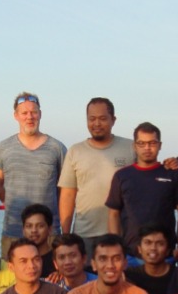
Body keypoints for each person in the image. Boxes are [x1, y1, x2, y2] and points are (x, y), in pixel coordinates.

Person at [0, 91, 67, 258]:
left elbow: (65, 188)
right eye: (24, 113)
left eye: (33, 112)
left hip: (50, 234)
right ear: (16, 116)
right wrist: (10, 202)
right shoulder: (4, 148)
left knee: (54, 281)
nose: (29, 117)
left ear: (40, 114)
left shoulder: (57, 148)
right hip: (13, 232)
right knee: (13, 281)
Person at [57, 97, 135, 254]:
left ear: (113, 120)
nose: (97, 124)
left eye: (102, 119)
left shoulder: (131, 148)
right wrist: (66, 236)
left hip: (121, 234)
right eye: (92, 119)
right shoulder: (75, 151)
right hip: (84, 235)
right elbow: (67, 195)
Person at [106, 122, 178, 262]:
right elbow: (113, 214)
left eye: (152, 143)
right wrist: (117, 247)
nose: (147, 148)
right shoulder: (122, 176)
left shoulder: (173, 175)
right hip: (130, 255)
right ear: (134, 146)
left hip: (165, 255)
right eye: (141, 143)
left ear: (160, 145)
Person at [124, 224, 178, 294]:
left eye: (160, 243)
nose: (153, 248)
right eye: (148, 243)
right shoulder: (129, 276)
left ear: (168, 250)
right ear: (139, 249)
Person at [21, 203, 55, 278]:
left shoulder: (57, 258)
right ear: (23, 230)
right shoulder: (18, 259)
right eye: (29, 226)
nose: (34, 230)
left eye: (40, 226)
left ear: (50, 229)